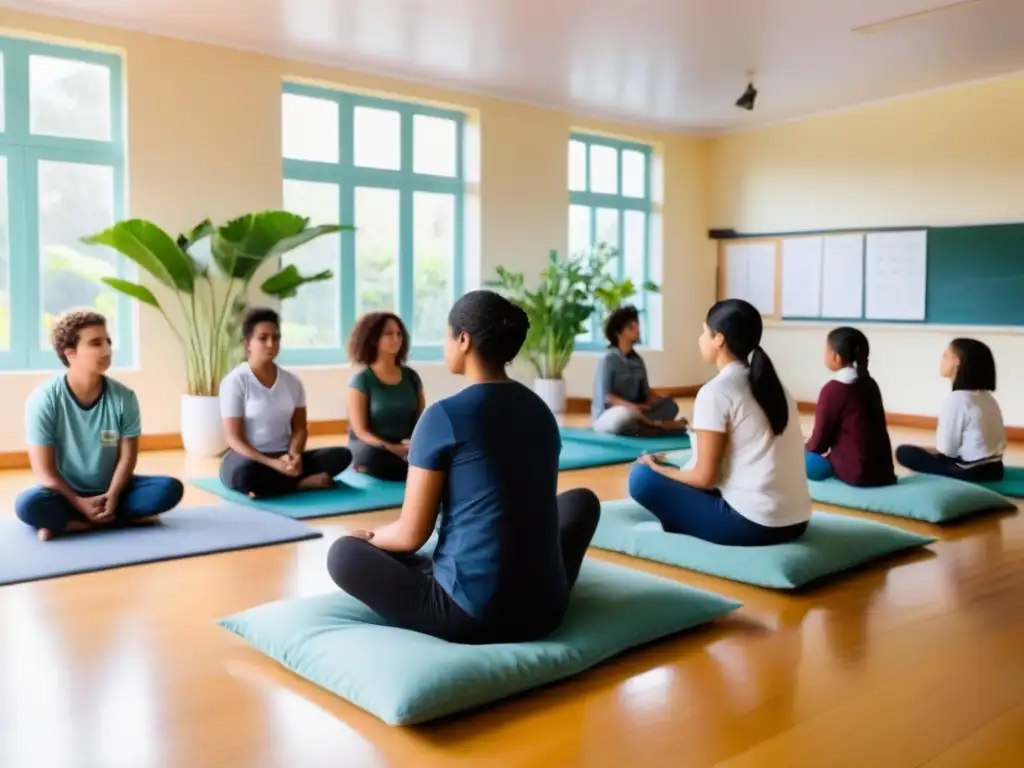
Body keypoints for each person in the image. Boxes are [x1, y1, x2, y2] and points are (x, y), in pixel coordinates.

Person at [326, 290, 601, 644]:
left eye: (446, 335)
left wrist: (369, 537)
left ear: (464, 340)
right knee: (582, 500)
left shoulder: (443, 416)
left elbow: (412, 536)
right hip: (548, 607)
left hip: (474, 615)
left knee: (343, 554)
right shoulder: (540, 410)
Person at [627, 298, 811, 546]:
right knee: (676, 473)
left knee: (641, 476)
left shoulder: (716, 392)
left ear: (719, 339)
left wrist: (662, 471)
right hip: (796, 522)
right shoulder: (777, 389)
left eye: (704, 332)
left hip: (755, 525)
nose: (700, 338)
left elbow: (706, 479)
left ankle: (683, 520)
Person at [16, 310, 184, 541]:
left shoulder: (124, 397)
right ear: (70, 353)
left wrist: (113, 495)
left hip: (113, 490)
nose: (106, 350)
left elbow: (127, 458)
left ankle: (71, 525)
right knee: (28, 505)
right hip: (64, 494)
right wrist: (80, 503)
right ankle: (115, 520)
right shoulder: (44, 399)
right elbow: (45, 472)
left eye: (108, 341)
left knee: (169, 489)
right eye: (96, 343)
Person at [219, 307, 352, 497]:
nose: (271, 344)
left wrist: (294, 455)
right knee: (243, 475)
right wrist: (271, 463)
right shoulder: (235, 382)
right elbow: (234, 438)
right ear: (247, 344)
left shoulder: (292, 382)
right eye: (263, 338)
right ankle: (300, 484)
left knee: (342, 456)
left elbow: (299, 429)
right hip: (249, 458)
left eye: (276, 337)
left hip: (284, 454)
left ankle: (274, 485)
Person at [895, 338, 1005, 482]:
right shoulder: (987, 397)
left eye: (946, 356)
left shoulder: (957, 399)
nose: (942, 360)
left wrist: (928, 452)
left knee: (904, 452)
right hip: (996, 469)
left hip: (971, 473)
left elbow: (947, 451)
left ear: (957, 361)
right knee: (925, 451)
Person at [804, 327, 897, 487]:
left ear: (836, 358)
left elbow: (819, 443)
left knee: (791, 457)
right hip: (884, 472)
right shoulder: (870, 383)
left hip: (855, 472)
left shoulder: (834, 389)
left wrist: (804, 447)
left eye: (826, 351)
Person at [346, 312, 425, 481]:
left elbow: (421, 420)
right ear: (374, 339)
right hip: (373, 446)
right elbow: (361, 431)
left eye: (399, 334)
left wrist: (416, 444)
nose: (396, 338)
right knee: (375, 458)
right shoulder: (361, 380)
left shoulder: (411, 377)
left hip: (405, 446)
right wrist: (393, 448)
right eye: (389, 334)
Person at [592, 305, 685, 435]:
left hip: (637, 412)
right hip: (611, 415)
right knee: (625, 419)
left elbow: (646, 395)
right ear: (618, 333)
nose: (637, 330)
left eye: (637, 326)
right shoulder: (608, 360)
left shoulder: (638, 361)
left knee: (671, 406)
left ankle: (649, 425)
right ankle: (658, 426)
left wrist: (660, 401)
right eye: (631, 327)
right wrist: (632, 408)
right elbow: (607, 398)